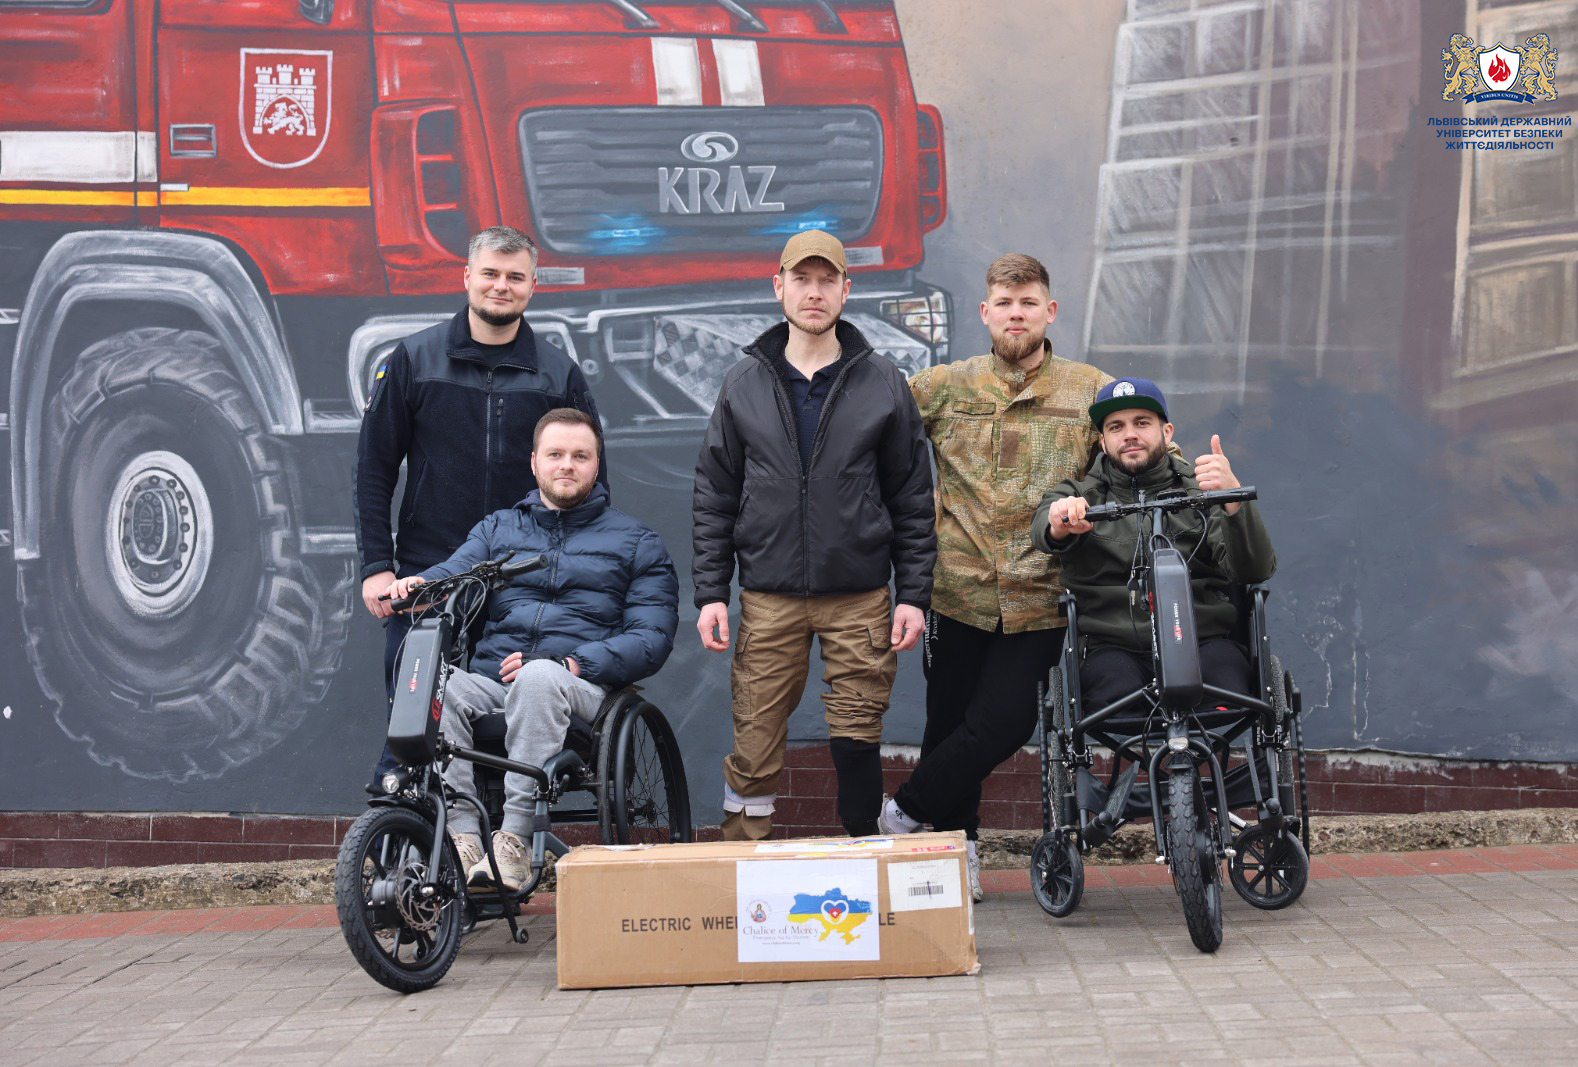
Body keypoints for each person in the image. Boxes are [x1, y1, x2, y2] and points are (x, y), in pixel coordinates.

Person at [875, 254, 1113, 901]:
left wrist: (1202, 480)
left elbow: (1139, 448)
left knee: (1003, 722)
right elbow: (874, 430)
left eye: (1028, 302)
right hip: (957, 590)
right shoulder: (945, 386)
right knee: (948, 726)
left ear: (1049, 311)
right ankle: (959, 855)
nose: (1016, 314)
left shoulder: (1089, 390)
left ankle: (902, 811)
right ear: (985, 313)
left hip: (1041, 595)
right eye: (1005, 303)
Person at [692, 229, 935, 841]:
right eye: (802, 279)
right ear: (779, 287)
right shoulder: (743, 381)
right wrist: (712, 593)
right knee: (755, 736)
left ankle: (864, 851)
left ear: (847, 290)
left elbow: (911, 497)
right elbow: (716, 493)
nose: (814, 292)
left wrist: (913, 595)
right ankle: (744, 861)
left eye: (828, 280)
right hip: (769, 595)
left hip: (859, 595)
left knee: (857, 731)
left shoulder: (882, 381)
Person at [385, 408, 676, 891]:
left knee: (539, 678)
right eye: (555, 454)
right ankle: (463, 841)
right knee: (439, 684)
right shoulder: (498, 529)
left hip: (583, 690)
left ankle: (514, 841)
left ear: (596, 464)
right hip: (496, 683)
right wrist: (419, 585)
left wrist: (571, 663)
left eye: (580, 456)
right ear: (535, 462)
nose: (567, 465)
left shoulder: (637, 542)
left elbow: (652, 638)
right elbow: (455, 573)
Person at [354, 226, 602, 790]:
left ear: (533, 286)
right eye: (490, 273)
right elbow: (373, 468)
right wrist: (377, 566)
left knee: (500, 723)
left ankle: (488, 833)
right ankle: (403, 823)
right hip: (430, 571)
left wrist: (574, 574)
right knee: (413, 721)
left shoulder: (557, 373)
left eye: (515, 276)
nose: (501, 286)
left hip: (524, 577)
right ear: (467, 277)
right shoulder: (413, 359)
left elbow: (588, 484)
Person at [1030, 377, 1276, 709]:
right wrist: (1061, 522)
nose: (1129, 434)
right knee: (1113, 697)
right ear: (1103, 442)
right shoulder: (1080, 496)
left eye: (1142, 423)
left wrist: (1232, 498)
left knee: (1227, 686)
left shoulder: (1204, 490)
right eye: (1116, 427)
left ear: (1167, 432)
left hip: (1203, 642)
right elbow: (1044, 528)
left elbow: (1255, 569)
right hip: (1113, 648)